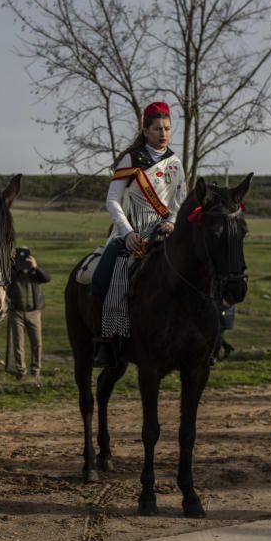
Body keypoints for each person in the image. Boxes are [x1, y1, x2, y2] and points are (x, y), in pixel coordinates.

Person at [91, 101, 187, 365]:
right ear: (145, 131)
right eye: (157, 129)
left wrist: (173, 222)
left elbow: (180, 203)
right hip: (130, 233)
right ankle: (107, 340)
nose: (163, 133)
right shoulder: (131, 160)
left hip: (165, 233)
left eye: (167, 128)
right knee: (102, 280)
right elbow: (112, 200)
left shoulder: (175, 163)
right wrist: (128, 232)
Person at [5, 246, 51, 382]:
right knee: (18, 344)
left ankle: (35, 369)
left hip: (34, 312)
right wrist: (13, 265)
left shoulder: (34, 272)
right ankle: (21, 371)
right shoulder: (12, 272)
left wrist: (35, 267)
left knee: (37, 343)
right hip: (16, 312)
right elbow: (6, 278)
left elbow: (47, 278)